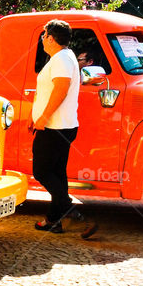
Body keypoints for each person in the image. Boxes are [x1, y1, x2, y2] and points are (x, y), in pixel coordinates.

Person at [30, 19, 96, 238]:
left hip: (54, 126)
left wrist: (44, 117)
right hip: (61, 125)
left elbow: (61, 89)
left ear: (50, 37)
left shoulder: (60, 59)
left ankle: (70, 211)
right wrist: (38, 116)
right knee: (57, 173)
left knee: (41, 171)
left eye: (43, 34)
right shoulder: (65, 58)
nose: (41, 38)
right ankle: (53, 220)